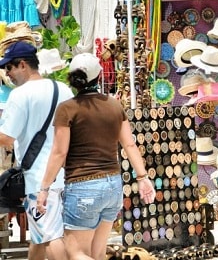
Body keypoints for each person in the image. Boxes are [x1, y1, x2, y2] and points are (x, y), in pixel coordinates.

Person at [36, 53, 155, 260]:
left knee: (77, 253)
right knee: (97, 254)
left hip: (83, 185)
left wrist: (44, 188)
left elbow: (59, 152)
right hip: (113, 186)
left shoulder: (67, 109)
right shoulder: (114, 105)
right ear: (99, 75)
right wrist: (143, 178)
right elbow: (129, 144)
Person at [0, 41, 74, 260]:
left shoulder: (20, 95)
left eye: (9, 68)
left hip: (40, 180)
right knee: (41, 235)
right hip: (68, 175)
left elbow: (6, 138)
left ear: (22, 65)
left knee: (49, 237)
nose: (7, 74)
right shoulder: (63, 89)